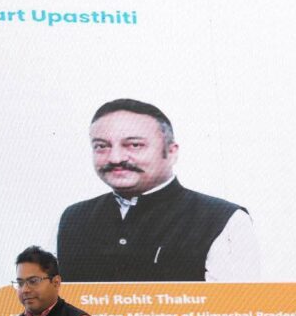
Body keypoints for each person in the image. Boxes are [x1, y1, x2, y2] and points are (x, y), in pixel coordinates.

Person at [57, 98, 259, 282]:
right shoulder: (72, 218)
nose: (115, 158)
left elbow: (235, 308)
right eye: (101, 146)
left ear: (171, 152)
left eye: (134, 145)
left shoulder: (223, 220)